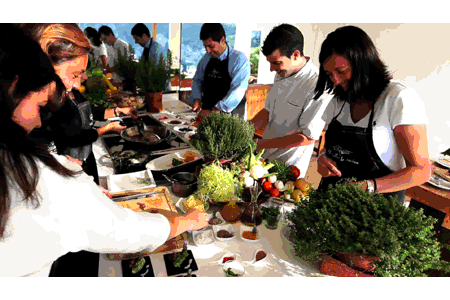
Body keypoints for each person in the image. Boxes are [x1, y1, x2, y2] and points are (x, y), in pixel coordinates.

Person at [0, 24, 209, 277]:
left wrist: (61, 172)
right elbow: (121, 230)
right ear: (17, 84)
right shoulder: (33, 174)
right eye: (75, 74)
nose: (37, 120)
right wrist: (183, 221)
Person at [16, 23, 137, 277]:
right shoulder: (26, 117)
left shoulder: (52, 102)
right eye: (75, 74)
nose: (81, 81)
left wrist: (59, 166)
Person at [313, 25, 431, 204]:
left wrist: (368, 186)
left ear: (363, 63)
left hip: (376, 211)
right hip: (331, 201)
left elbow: (421, 170)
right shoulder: (338, 100)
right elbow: (329, 149)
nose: (336, 81)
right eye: (330, 74)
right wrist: (322, 159)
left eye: (341, 72)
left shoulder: (397, 99)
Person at [249, 24, 333, 178]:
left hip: (288, 165)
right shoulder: (281, 73)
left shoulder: (317, 84)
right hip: (265, 155)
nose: (271, 69)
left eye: (276, 63)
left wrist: (261, 143)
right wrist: (245, 130)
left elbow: (307, 138)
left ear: (295, 55)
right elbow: (267, 112)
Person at [188, 23, 250, 121]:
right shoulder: (206, 58)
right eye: (205, 47)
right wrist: (198, 98)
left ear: (222, 40)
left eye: (211, 46)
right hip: (207, 115)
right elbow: (197, 80)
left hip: (230, 117)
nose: (208, 50)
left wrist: (216, 109)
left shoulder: (239, 59)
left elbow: (238, 90)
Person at [131, 23, 171, 91]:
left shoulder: (156, 48)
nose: (136, 42)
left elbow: (155, 71)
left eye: (136, 39)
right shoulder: (147, 48)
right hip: (151, 87)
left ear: (144, 35)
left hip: (159, 89)